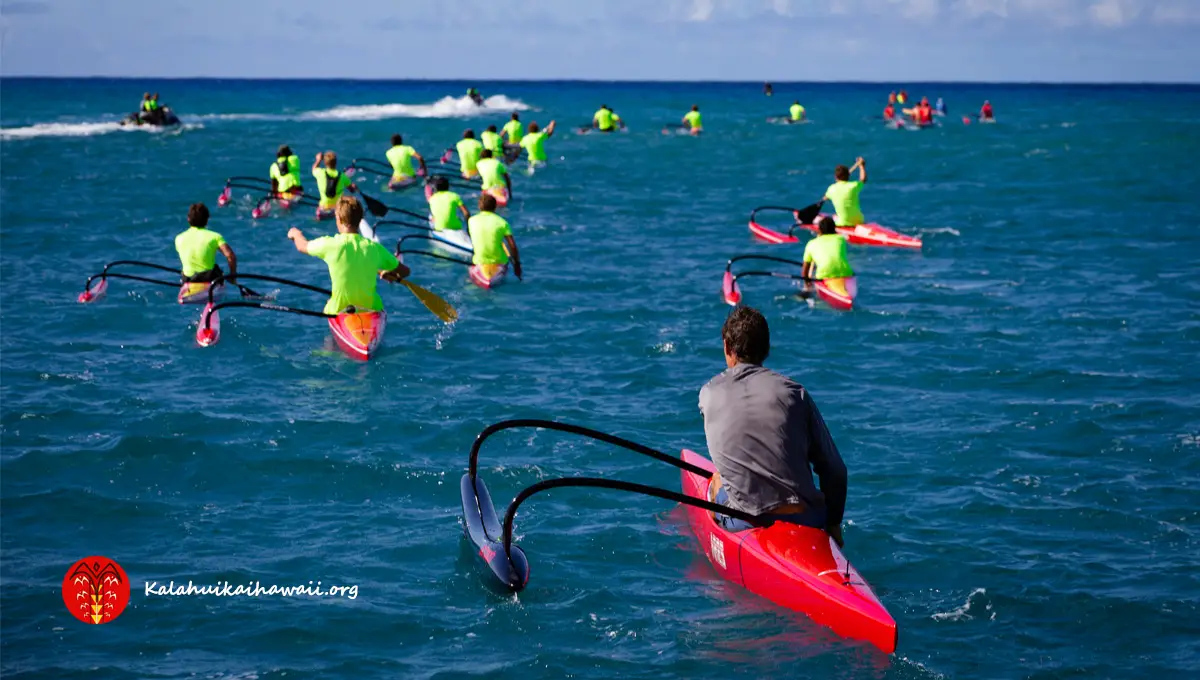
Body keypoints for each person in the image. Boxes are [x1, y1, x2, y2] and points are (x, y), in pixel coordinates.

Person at [698, 306, 847, 546]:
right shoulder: (795, 393)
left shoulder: (708, 394)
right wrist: (833, 526)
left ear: (727, 348)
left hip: (746, 519)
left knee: (717, 481)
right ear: (766, 349)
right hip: (807, 518)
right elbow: (835, 469)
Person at [286, 196, 410, 315]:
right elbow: (405, 271)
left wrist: (296, 234)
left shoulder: (330, 244)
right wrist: (391, 274)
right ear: (360, 219)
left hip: (339, 310)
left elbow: (302, 246)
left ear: (339, 219)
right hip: (371, 310)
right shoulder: (374, 248)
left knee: (330, 308)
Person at [175, 203, 237, 284]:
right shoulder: (215, 237)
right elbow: (230, 256)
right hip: (208, 280)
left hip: (188, 280)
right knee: (217, 270)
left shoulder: (179, 238)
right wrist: (232, 276)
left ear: (188, 219)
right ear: (207, 220)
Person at [467, 193, 522, 279]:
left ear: (479, 206)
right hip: (499, 262)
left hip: (479, 261)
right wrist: (517, 265)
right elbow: (513, 247)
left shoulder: (471, 221)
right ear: (495, 207)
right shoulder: (503, 223)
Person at [801, 216, 854, 286]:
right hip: (846, 273)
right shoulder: (841, 239)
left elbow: (805, 271)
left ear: (819, 230)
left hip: (824, 276)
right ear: (834, 229)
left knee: (803, 294)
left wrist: (807, 284)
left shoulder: (811, 244)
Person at [820, 157, 867, 227]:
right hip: (859, 220)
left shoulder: (831, 189)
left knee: (834, 217)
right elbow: (863, 179)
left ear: (835, 177)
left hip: (843, 223)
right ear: (848, 176)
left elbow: (824, 199)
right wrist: (862, 166)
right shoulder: (854, 186)